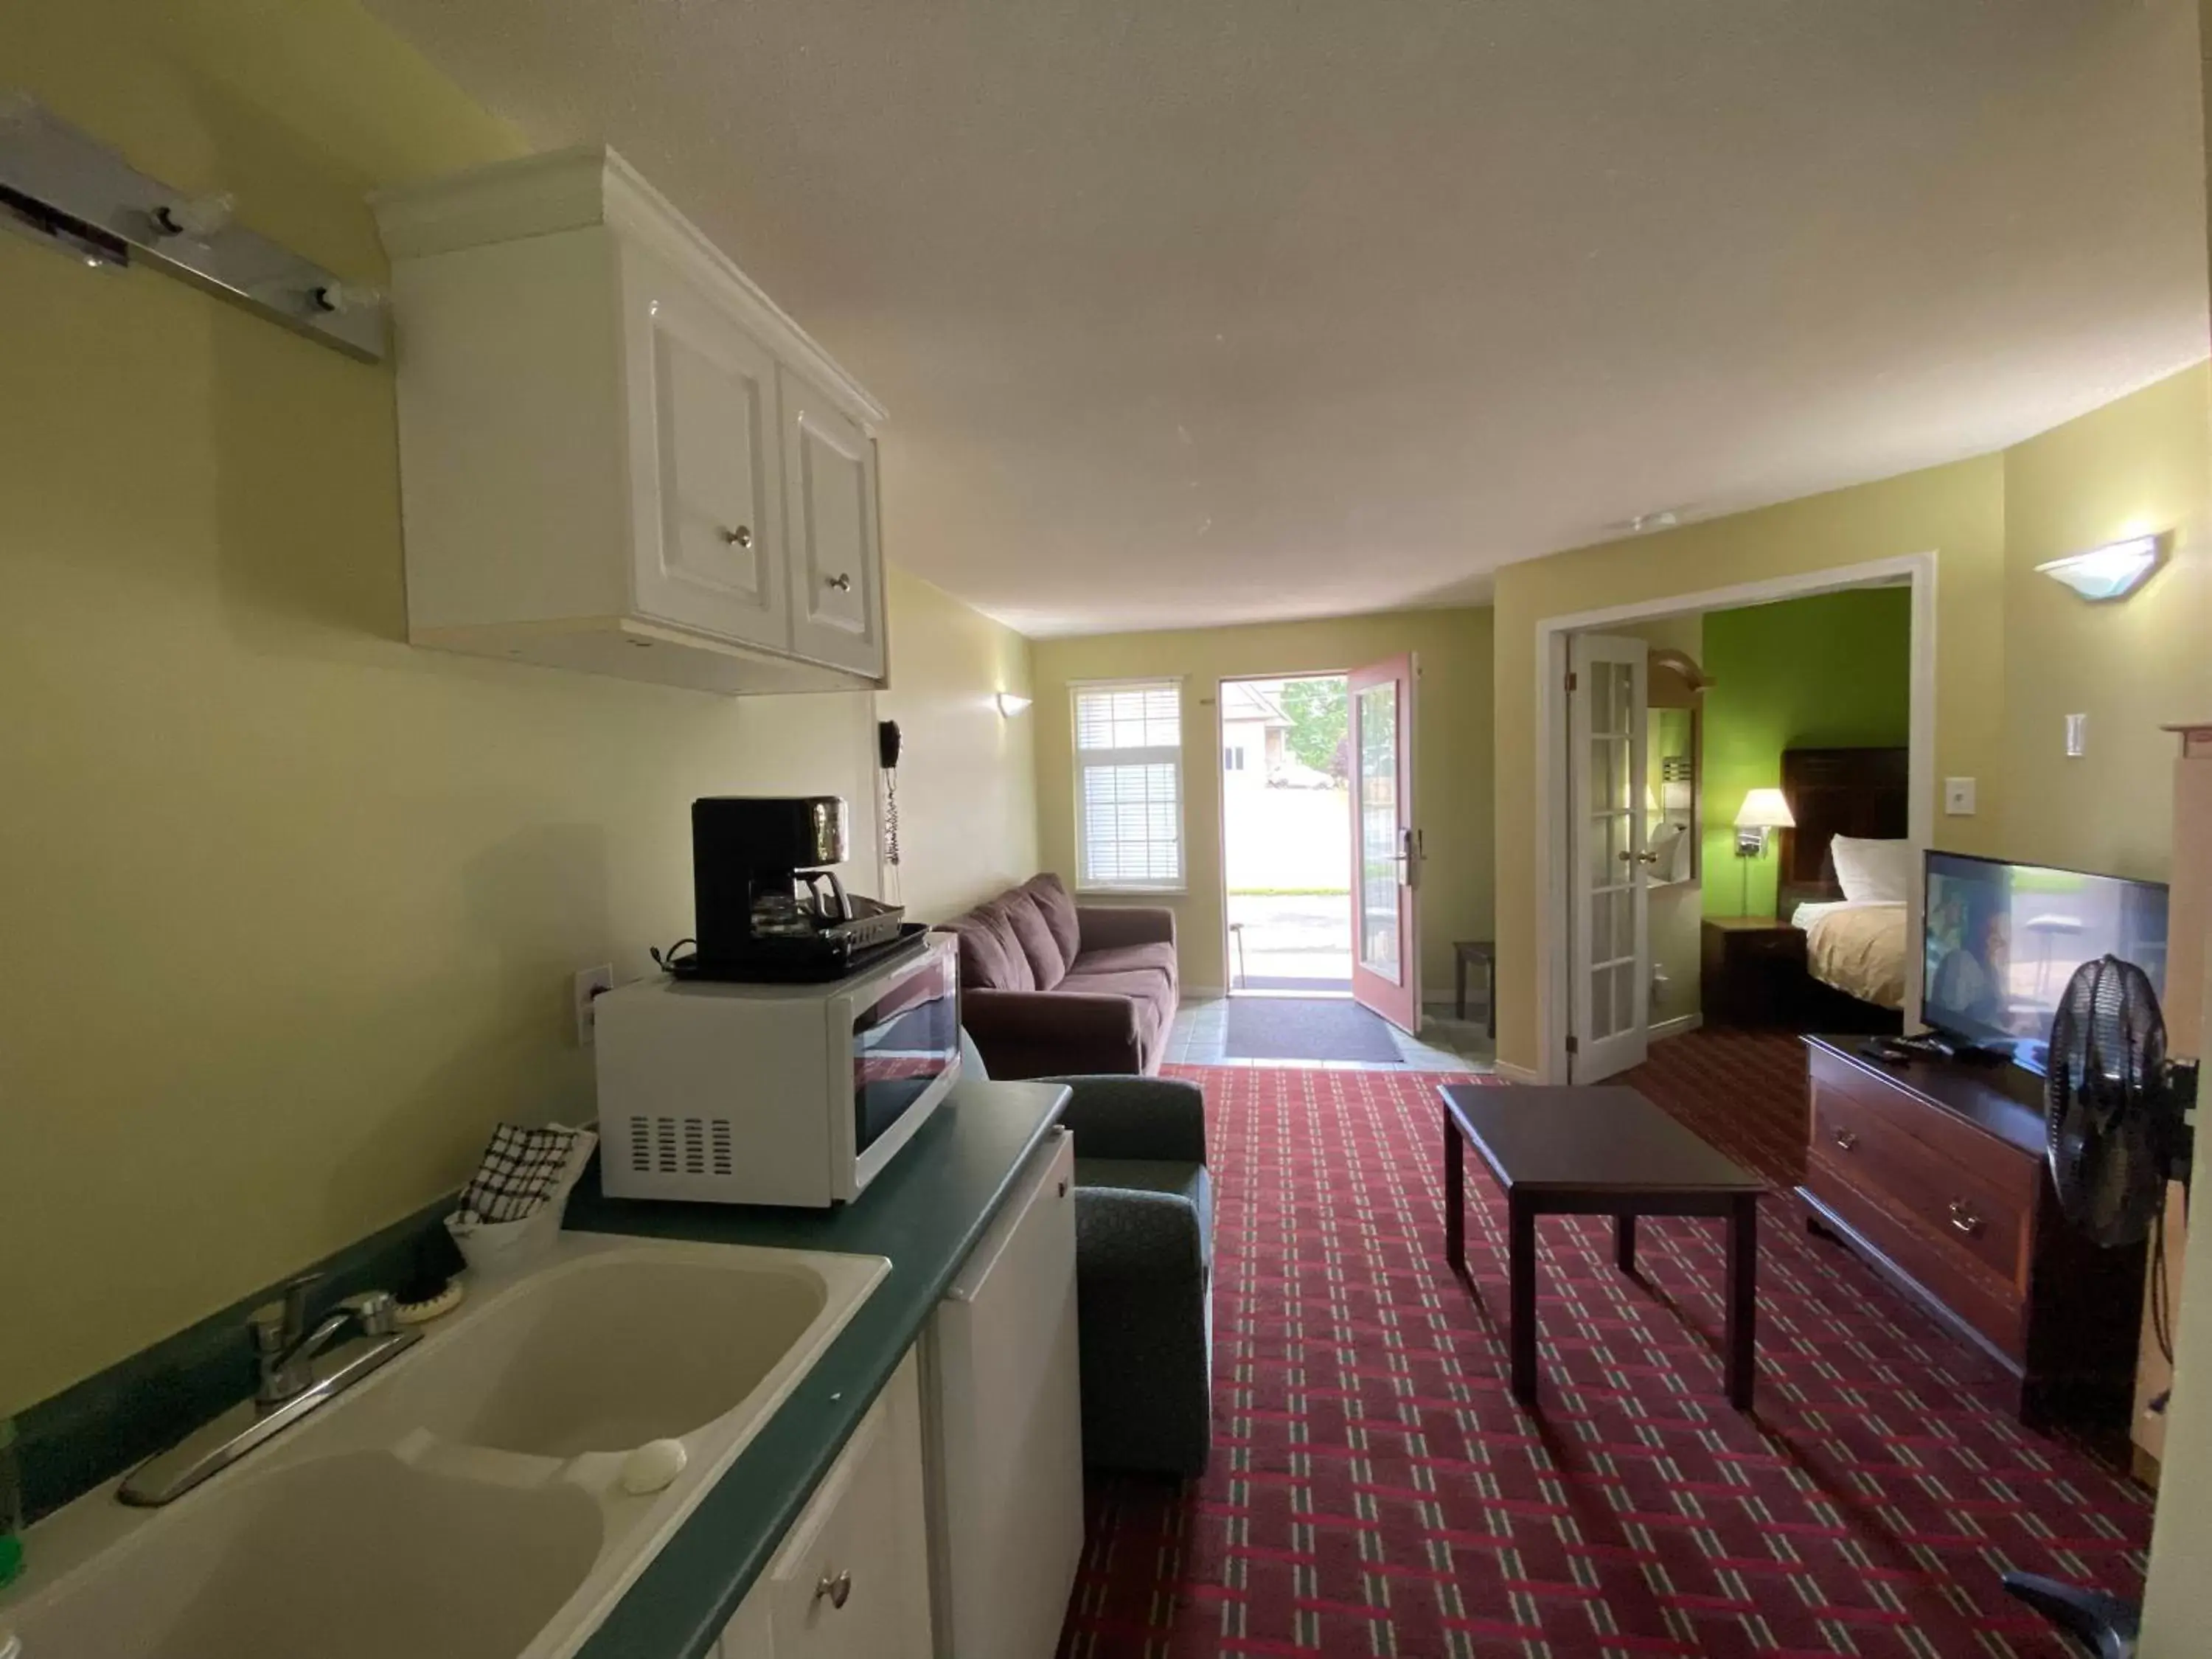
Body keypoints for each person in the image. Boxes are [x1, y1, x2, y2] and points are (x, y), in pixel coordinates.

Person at [1932, 885, 2010, 1030]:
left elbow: (1999, 1013)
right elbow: (1954, 1024)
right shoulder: (1959, 962)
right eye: (1993, 932)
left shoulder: (1991, 969)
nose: (2000, 942)